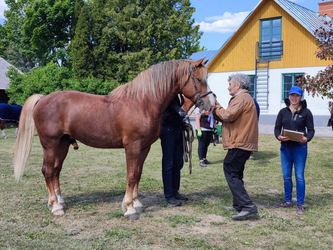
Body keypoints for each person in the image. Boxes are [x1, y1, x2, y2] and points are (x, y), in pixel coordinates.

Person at [213, 73, 259, 221]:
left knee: (230, 169)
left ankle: (247, 207)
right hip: (242, 142)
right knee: (237, 173)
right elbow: (227, 116)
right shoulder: (243, 98)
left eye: (230, 84)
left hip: (240, 142)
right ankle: (238, 204)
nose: (228, 87)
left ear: (238, 85)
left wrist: (215, 104)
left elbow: (227, 116)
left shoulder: (242, 98)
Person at [274, 86, 315, 215]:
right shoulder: (283, 112)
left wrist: (306, 138)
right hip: (285, 148)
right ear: (289, 96)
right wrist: (279, 136)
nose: (294, 98)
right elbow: (277, 128)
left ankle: (300, 204)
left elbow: (311, 130)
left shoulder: (306, 112)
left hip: (300, 148)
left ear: (300, 97)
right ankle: (287, 201)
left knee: (299, 177)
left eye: (296, 96)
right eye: (292, 95)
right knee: (286, 176)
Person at [160, 94, 188, 206]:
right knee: (169, 162)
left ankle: (175, 191)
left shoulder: (176, 95)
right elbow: (169, 103)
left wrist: (181, 122)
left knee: (178, 162)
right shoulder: (167, 93)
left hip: (176, 128)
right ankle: (169, 195)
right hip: (167, 129)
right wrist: (179, 110)